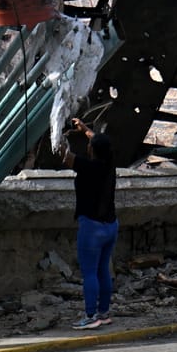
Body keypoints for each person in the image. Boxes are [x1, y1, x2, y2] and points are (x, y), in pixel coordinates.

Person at [62, 117, 118, 330]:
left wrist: (56, 133)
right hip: (110, 225)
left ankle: (90, 315)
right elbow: (100, 142)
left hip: (92, 227)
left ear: (92, 150)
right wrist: (85, 129)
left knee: (89, 273)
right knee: (103, 270)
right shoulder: (109, 161)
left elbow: (65, 156)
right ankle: (103, 312)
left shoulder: (87, 166)